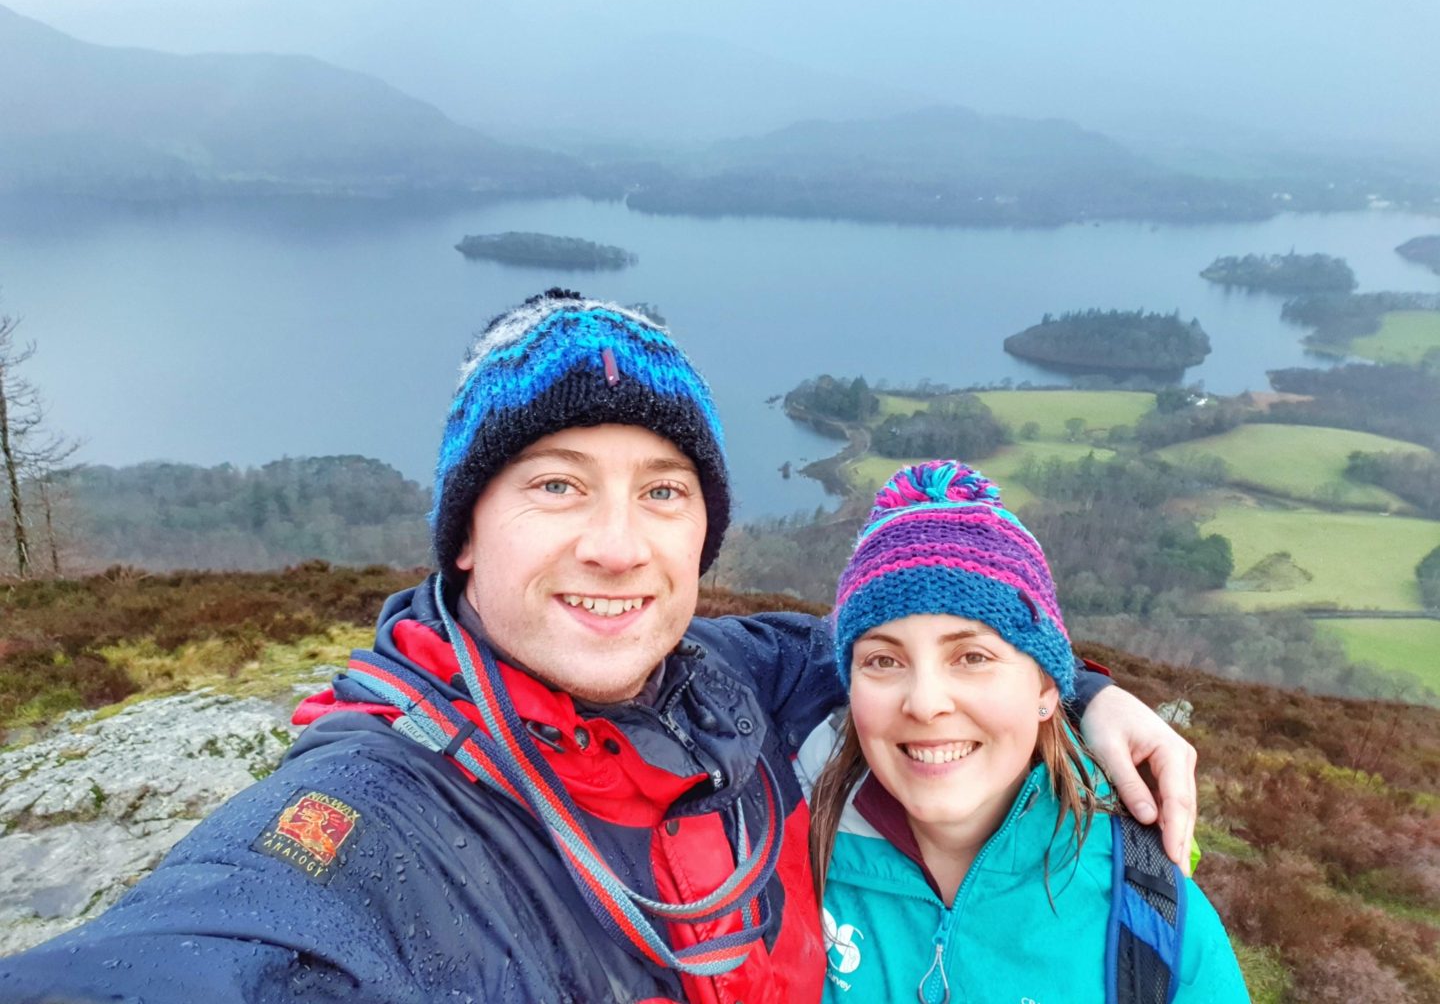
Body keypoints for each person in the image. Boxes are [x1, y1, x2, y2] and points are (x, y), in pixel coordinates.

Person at [0, 291, 1198, 1003]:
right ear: (465, 534)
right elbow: (215, 946)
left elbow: (885, 646)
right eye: (559, 485)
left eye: (664, 493)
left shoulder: (725, 679)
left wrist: (1081, 691)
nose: (620, 547)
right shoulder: (382, 809)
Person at [803, 460, 1247, 1002]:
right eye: (882, 661)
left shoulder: (1151, 919)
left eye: (971, 656)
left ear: (1047, 690)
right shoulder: (771, 853)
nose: (923, 703)